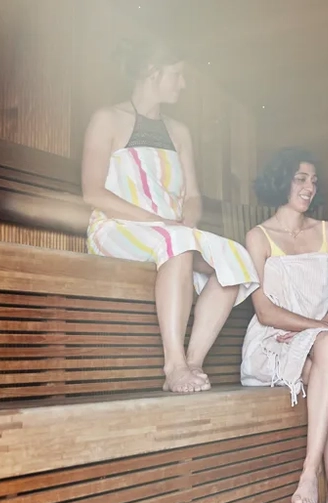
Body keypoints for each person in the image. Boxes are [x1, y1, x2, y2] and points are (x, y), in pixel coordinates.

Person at [81, 40, 259, 394]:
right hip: (117, 225)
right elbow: (93, 193)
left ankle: (192, 362)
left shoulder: (179, 132)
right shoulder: (107, 119)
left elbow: (191, 195)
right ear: (151, 71)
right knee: (177, 244)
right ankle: (173, 364)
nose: (183, 84)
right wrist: (160, 223)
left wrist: (186, 225)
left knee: (235, 258)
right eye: (177, 75)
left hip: (171, 231)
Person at [241, 148, 328, 503]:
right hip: (273, 341)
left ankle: (315, 477)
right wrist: (324, 330)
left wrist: (321, 329)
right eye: (300, 178)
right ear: (281, 181)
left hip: (318, 340)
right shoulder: (259, 237)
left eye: (313, 180)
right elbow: (264, 311)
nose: (309, 187)